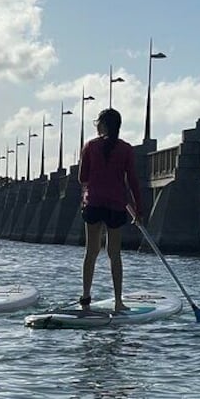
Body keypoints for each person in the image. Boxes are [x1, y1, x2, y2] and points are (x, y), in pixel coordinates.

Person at [78, 108, 142, 312]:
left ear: (103, 125)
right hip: (116, 205)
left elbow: (82, 178)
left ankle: (86, 299)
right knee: (115, 254)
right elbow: (132, 181)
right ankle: (118, 301)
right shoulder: (126, 149)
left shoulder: (90, 146)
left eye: (98, 122)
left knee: (91, 252)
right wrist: (139, 209)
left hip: (94, 203)